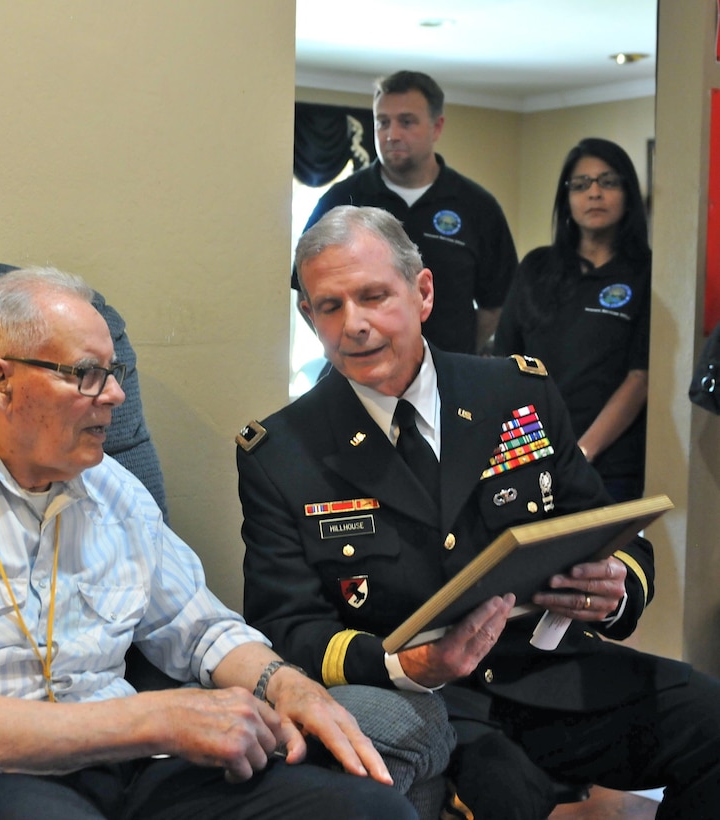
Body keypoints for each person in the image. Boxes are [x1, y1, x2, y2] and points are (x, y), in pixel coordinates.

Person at [0, 267, 423, 820]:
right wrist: (155, 717)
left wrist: (286, 683)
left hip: (139, 766)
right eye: (87, 374)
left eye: (113, 374)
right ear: (1, 382)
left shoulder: (112, 488)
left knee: (371, 810)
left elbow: (203, 629)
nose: (113, 395)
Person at [238, 205, 720, 819]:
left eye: (374, 296)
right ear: (309, 316)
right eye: (329, 306)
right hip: (434, 699)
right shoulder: (281, 453)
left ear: (423, 292)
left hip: (551, 668)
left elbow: (608, 529)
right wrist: (402, 664)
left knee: (711, 721)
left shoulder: (517, 393)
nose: (354, 324)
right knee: (506, 793)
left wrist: (617, 588)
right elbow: (290, 627)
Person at [293, 70, 517, 355]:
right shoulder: (341, 201)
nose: (392, 135)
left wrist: (453, 356)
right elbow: (307, 293)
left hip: (447, 382)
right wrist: (347, 348)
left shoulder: (477, 206)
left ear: (436, 127)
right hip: (358, 376)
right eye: (383, 122)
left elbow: (497, 304)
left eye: (406, 122)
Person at [494, 138, 651, 502]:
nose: (594, 193)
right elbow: (507, 365)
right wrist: (527, 449)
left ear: (628, 193)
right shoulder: (536, 267)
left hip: (608, 464)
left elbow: (640, 377)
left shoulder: (646, 273)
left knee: (600, 560)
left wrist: (581, 453)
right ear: (566, 198)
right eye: (581, 185)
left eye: (608, 182)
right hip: (528, 455)